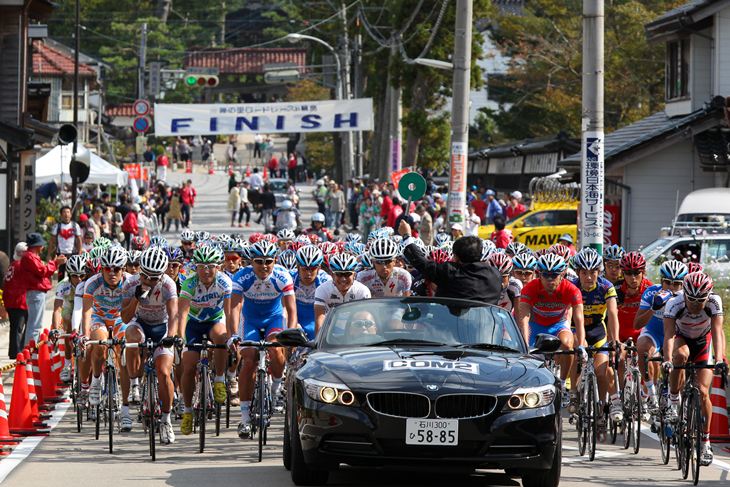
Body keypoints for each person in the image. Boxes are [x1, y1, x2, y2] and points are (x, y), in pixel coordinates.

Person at [229, 240, 297, 438]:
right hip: (250, 320)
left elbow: (291, 310)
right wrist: (233, 333)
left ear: (275, 260)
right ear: (251, 262)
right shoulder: (242, 276)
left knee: (276, 348)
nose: (264, 265)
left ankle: (276, 388)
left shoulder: (282, 276)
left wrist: (290, 333)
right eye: (259, 261)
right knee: (248, 359)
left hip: (274, 319)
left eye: (268, 261)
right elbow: (234, 307)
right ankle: (244, 418)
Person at [664, 272, 725, 466]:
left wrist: (719, 359)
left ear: (708, 295)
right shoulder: (674, 303)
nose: (696, 304)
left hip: (703, 341)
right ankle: (674, 400)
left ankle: (705, 441)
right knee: (680, 356)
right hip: (681, 337)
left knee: (704, 392)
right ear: (685, 294)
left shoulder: (714, 302)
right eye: (691, 299)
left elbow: (717, 332)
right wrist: (667, 359)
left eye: (700, 300)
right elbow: (668, 335)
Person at [121, 247, 178, 443]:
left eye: (154, 278)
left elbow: (173, 315)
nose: (149, 281)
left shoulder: (168, 284)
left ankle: (166, 420)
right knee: (131, 335)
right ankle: (135, 383)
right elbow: (125, 317)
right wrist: (136, 299)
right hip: (140, 323)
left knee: (163, 372)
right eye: (145, 276)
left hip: (161, 327)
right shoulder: (130, 283)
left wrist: (171, 335)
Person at [177, 245, 232, 436]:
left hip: (214, 320)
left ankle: (218, 379)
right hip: (193, 323)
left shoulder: (225, 282)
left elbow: (229, 312)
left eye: (210, 266)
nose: (206, 271)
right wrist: (178, 337)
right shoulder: (189, 283)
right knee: (189, 365)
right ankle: (187, 411)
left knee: (221, 337)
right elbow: (182, 314)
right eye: (201, 266)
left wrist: (232, 335)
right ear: (195, 267)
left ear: (218, 267)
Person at [517, 253, 584, 404]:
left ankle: (561, 383)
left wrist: (581, 345)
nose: (549, 280)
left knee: (568, 345)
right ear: (538, 274)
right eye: (545, 275)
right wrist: (525, 343)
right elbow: (524, 318)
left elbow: (579, 319)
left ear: (562, 275)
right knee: (530, 358)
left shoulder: (571, 289)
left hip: (558, 325)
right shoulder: (530, 288)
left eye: (554, 275)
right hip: (536, 326)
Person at [569, 248, 622, 422]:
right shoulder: (572, 286)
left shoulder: (606, 287)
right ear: (578, 272)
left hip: (598, 330)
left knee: (602, 370)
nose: (589, 277)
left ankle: (602, 404)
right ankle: (574, 394)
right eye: (584, 273)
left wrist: (615, 340)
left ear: (599, 272)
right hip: (577, 328)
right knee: (576, 354)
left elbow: (613, 314)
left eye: (593, 272)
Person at [399, 220, 501, 303]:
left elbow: (421, 262)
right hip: (486, 327)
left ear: (455, 257)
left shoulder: (450, 272)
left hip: (450, 326)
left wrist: (407, 236)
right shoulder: (495, 274)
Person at [635, 260, 687, 411]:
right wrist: (653, 308)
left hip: (676, 334)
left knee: (681, 358)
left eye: (676, 284)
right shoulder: (651, 293)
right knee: (643, 348)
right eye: (667, 283)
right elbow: (637, 324)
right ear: (661, 281)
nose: (671, 287)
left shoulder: (685, 297)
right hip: (655, 333)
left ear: (683, 285)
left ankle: (676, 400)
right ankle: (651, 393)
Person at [83, 246, 129, 413]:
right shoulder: (92, 283)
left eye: (116, 269)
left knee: (125, 350)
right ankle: (95, 380)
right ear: (102, 269)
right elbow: (87, 312)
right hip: (99, 318)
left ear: (123, 269)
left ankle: (126, 400)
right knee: (100, 346)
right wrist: (85, 336)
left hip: (120, 319)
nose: (111, 272)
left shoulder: (130, 282)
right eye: (107, 268)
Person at [21, 233, 66, 345]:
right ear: (37, 246)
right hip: (35, 292)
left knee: (35, 324)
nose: (43, 247)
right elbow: (42, 270)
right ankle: (30, 350)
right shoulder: (30, 256)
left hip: (36, 292)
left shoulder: (31, 256)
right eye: (41, 245)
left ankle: (30, 349)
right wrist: (55, 262)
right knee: (35, 325)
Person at [314, 253, 371, 334]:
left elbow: (365, 319)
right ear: (332, 275)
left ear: (354, 275)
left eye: (347, 274)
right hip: (330, 331)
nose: (343, 279)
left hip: (355, 330)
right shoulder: (322, 290)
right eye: (339, 274)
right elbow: (320, 319)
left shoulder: (362, 291)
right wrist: (318, 345)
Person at [52, 254, 87, 381]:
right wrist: (55, 329)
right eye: (74, 276)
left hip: (85, 309)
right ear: (69, 274)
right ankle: (67, 365)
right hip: (68, 310)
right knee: (68, 330)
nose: (78, 279)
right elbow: (57, 309)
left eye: (82, 275)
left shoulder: (88, 283)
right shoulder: (63, 285)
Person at [292, 246, 331, 340]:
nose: (308, 273)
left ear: (319, 268)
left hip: (317, 321)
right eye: (304, 269)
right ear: (297, 267)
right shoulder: (290, 278)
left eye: (312, 269)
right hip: (297, 321)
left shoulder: (326, 280)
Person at [3, 242, 28, 358]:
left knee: (14, 328)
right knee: (19, 328)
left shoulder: (12, 265)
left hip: (10, 301)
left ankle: (13, 352)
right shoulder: (21, 266)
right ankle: (18, 352)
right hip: (19, 301)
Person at [48, 205, 82, 281]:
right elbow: (51, 241)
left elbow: (79, 241)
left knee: (72, 275)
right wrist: (49, 255)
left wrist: (79, 254)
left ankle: (72, 292)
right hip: (61, 254)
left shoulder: (75, 226)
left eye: (68, 212)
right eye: (64, 212)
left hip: (72, 254)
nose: (66, 214)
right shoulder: (57, 226)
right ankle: (60, 292)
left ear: (70, 214)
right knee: (60, 276)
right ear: (61, 214)